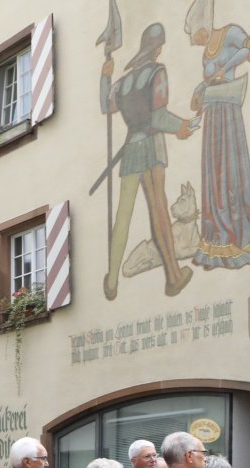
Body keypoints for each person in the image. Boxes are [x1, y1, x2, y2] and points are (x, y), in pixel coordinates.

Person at [101, 22, 198, 300]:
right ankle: (174, 277)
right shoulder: (157, 72)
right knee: (158, 210)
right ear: (156, 48)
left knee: (123, 214)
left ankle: (111, 280)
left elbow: (106, 105)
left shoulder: (122, 83)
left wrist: (105, 77)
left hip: (131, 148)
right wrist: (181, 126)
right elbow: (158, 116)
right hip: (152, 146)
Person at [183, 0, 250, 270]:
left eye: (197, 35)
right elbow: (207, 80)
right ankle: (216, 232)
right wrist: (199, 92)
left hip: (228, 109)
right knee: (214, 170)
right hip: (212, 113)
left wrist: (225, 68)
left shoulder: (230, 33)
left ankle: (236, 224)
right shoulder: (205, 53)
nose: (197, 41)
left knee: (229, 165)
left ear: (205, 25)